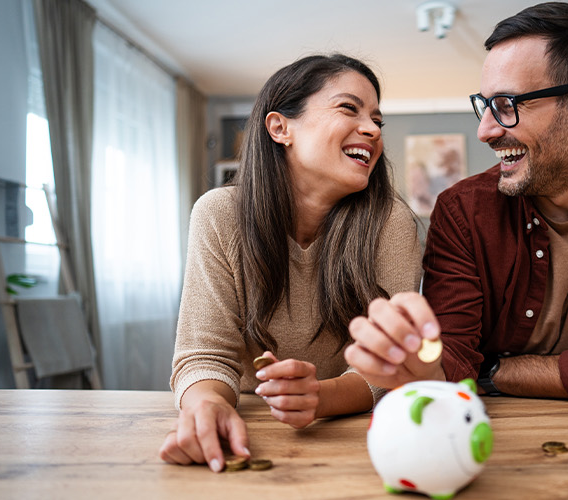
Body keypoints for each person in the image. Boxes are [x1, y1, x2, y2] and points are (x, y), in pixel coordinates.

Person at [344, 2, 568, 403]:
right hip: (492, 428)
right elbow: (452, 358)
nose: (485, 131)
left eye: (507, 105)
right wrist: (424, 365)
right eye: (485, 106)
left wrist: (494, 372)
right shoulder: (461, 211)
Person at [159, 54, 421, 473]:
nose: (373, 129)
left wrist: (321, 397)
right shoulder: (218, 214)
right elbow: (206, 354)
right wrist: (207, 405)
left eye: (377, 120)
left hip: (355, 434)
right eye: (349, 108)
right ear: (280, 128)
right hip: (252, 424)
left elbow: (391, 364)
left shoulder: (391, 223)